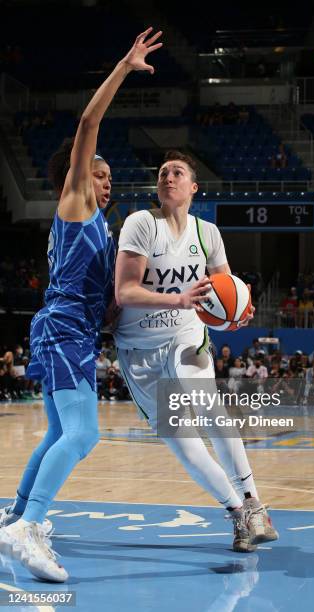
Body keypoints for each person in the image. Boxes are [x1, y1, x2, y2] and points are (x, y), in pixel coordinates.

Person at [0, 28, 163, 583]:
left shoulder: (101, 231)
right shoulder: (73, 202)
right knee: (85, 435)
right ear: (76, 175)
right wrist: (124, 65)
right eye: (100, 172)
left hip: (67, 329)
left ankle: (18, 514)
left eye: (111, 178)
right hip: (63, 327)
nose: (107, 181)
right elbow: (88, 124)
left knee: (56, 434)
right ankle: (30, 528)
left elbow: (112, 299)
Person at [114, 150, 278, 554]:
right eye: (163, 172)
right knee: (183, 441)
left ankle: (254, 503)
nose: (169, 177)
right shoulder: (141, 224)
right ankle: (236, 510)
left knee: (210, 407)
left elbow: (226, 288)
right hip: (141, 348)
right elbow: (125, 292)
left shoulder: (208, 233)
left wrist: (240, 310)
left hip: (187, 334)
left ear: (193, 187)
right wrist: (181, 300)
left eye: (178, 172)